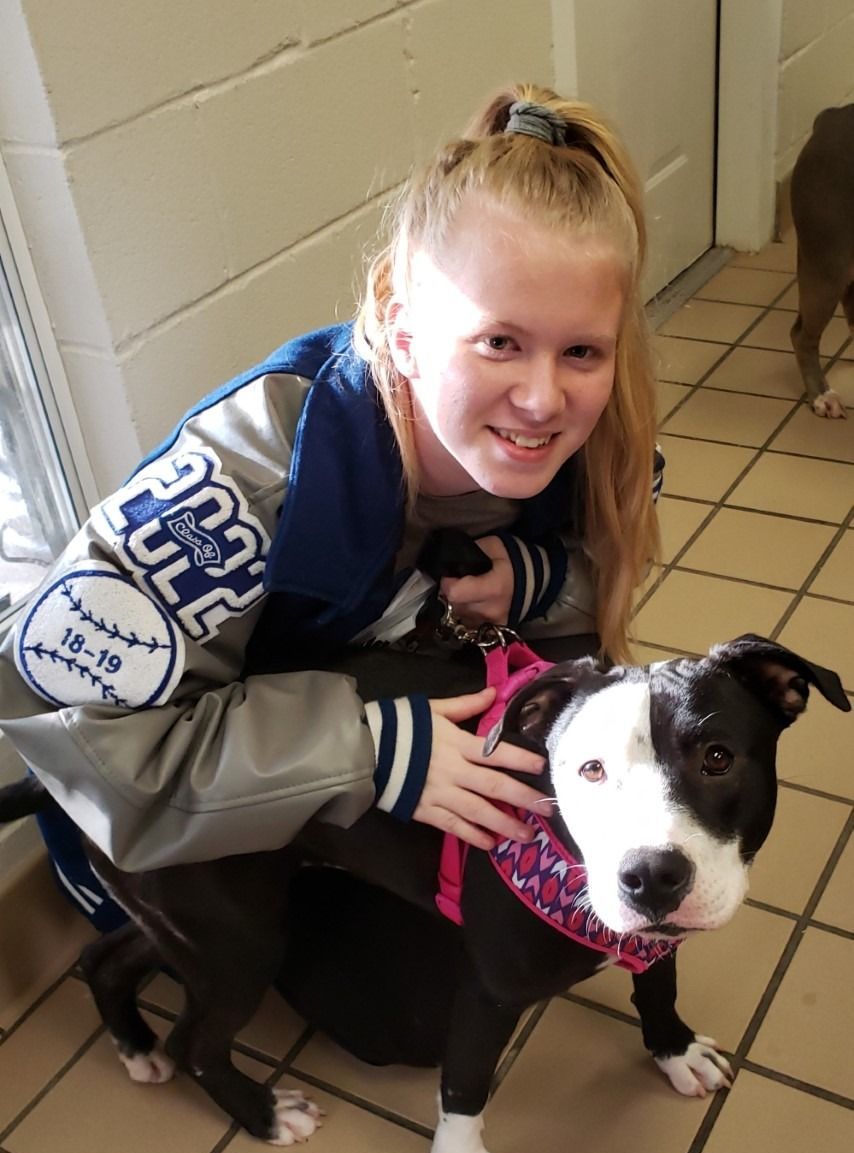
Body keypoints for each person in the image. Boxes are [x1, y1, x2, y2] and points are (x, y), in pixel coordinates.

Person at [0, 84, 661, 924]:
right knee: (402, 1022)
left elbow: (596, 570)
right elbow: (79, 728)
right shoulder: (244, 484)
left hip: (313, 699)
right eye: (499, 341)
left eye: (581, 351)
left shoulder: (596, 432)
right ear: (400, 320)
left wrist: (530, 577)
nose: (542, 399)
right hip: (153, 801)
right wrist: (370, 750)